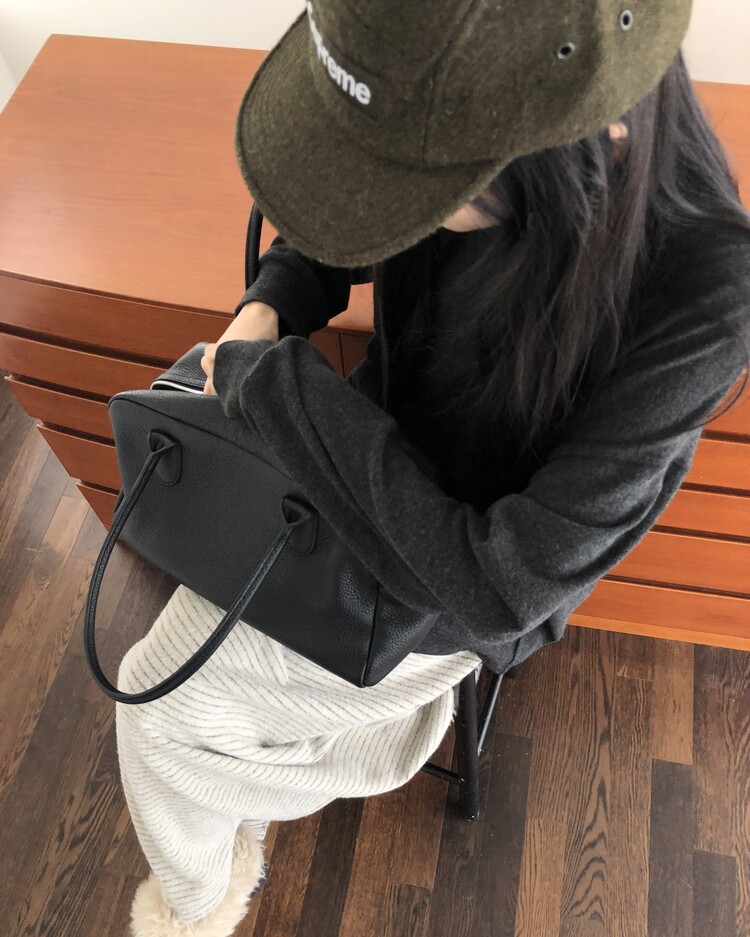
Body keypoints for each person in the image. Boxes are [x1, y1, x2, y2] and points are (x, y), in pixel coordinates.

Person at [116, 3, 750, 936]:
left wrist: (281, 388)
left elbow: (502, 587)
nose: (395, 212)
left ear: (595, 138)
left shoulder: (703, 302)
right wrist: (273, 301)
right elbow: (348, 212)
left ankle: (196, 906)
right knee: (168, 702)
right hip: (353, 463)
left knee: (160, 716)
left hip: (451, 581)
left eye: (421, 191)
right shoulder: (453, 118)